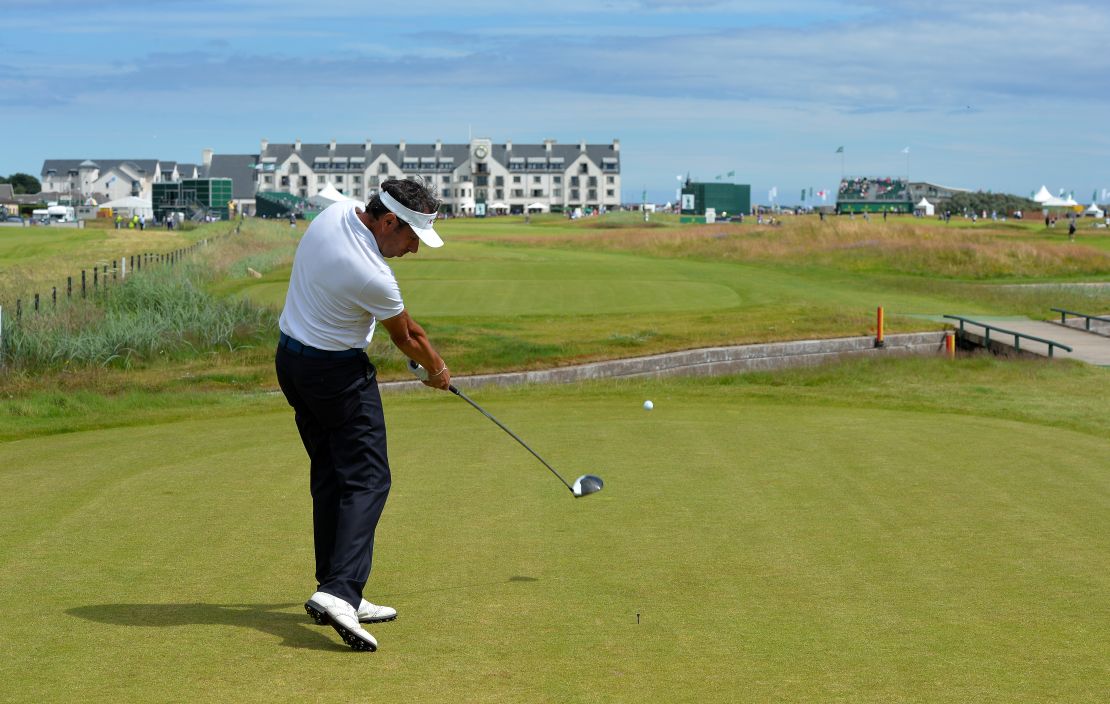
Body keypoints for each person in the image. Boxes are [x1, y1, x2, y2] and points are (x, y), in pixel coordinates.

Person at [275, 179, 451, 652]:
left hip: (291, 362)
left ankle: (334, 585)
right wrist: (436, 370)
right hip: (336, 374)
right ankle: (339, 592)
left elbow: (333, 197)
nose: (414, 249)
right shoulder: (372, 273)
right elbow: (409, 336)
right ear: (388, 221)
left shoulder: (336, 215)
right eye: (412, 236)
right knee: (369, 479)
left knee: (332, 474)